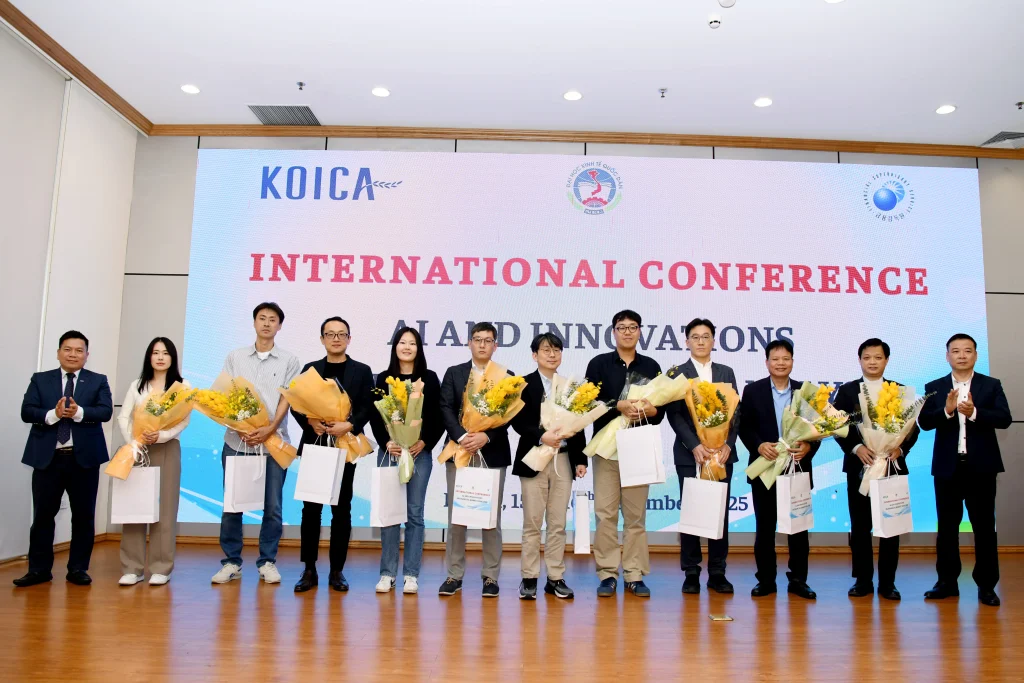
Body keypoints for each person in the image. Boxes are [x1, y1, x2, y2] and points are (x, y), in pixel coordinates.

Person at [919, 333, 1012, 607]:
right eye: (956, 351)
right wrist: (947, 411)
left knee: (984, 528)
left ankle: (986, 586)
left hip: (981, 468)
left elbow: (1004, 418)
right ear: (947, 356)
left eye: (967, 350)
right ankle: (947, 582)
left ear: (975, 355)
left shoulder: (991, 385)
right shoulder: (935, 387)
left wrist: (974, 413)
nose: (962, 355)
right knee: (947, 528)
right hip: (947, 468)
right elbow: (924, 422)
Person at [212, 303, 301, 585]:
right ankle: (231, 561)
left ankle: (267, 561)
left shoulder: (289, 360)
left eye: (272, 319)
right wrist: (240, 427)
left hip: (273, 442)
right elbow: (226, 394)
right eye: (262, 318)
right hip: (236, 441)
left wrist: (270, 428)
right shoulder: (235, 357)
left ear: (279, 326)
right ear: (254, 322)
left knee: (272, 507)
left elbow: (288, 397)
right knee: (233, 504)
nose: (266, 323)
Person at [15, 331, 113, 587]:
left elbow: (105, 412)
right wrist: (53, 414)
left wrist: (79, 412)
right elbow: (27, 411)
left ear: (87, 355)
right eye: (67, 349)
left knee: (83, 516)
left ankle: (78, 569)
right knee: (42, 516)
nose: (73, 354)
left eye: (79, 350)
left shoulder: (98, 380)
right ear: (58, 352)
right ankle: (39, 570)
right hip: (48, 459)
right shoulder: (40, 379)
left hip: (84, 460)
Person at [291, 317, 374, 593]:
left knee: (341, 509)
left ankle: (337, 570)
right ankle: (309, 569)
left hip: (344, 446)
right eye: (330, 334)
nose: (336, 339)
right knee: (311, 509)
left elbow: (368, 406)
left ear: (349, 339)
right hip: (315, 444)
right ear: (322, 339)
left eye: (341, 334)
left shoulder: (362, 371)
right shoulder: (310, 369)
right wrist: (310, 422)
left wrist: (349, 425)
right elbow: (295, 404)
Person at [833, 338, 919, 601]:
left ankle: (888, 583)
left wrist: (900, 449)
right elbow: (837, 426)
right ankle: (862, 580)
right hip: (860, 467)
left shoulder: (899, 391)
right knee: (860, 527)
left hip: (891, 467)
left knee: (890, 526)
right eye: (867, 357)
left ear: (886, 360)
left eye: (878, 357)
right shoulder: (847, 391)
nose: (872, 362)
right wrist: (856, 447)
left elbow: (912, 429)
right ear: (860, 360)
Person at [585, 310, 662, 598]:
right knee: (605, 514)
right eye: (622, 327)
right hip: (606, 449)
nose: (627, 332)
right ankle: (607, 573)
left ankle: (634, 573)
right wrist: (618, 405)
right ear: (613, 332)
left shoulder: (651, 366)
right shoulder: (599, 364)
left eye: (632, 327)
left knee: (635, 517)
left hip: (638, 447)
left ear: (640, 331)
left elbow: (660, 412)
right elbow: (588, 402)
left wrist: (650, 410)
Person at [438, 322, 514, 598]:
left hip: (492, 453)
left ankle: (490, 576)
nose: (482, 344)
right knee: (457, 516)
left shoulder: (506, 376)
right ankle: (454, 574)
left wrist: (486, 436)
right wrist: (462, 436)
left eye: (488, 340)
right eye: (477, 339)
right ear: (469, 343)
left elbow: (509, 416)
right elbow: (445, 408)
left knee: (490, 517)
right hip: (459, 451)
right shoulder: (454, 373)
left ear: (495, 345)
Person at [739, 339, 819, 600]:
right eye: (775, 359)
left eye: (786, 358)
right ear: (767, 362)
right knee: (765, 528)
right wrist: (759, 445)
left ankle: (798, 580)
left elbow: (818, 429)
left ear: (792, 361)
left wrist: (808, 446)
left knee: (798, 528)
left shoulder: (804, 392)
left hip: (797, 467)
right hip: (766, 468)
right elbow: (744, 426)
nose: (781, 363)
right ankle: (766, 580)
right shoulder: (753, 391)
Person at [665, 318, 740, 595]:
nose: (700, 341)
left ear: (713, 341)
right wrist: (695, 445)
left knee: (719, 513)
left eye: (705, 336)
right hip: (690, 455)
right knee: (692, 512)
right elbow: (674, 414)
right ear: (686, 341)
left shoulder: (726, 372)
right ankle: (692, 571)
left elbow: (736, 412)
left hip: (721, 456)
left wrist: (728, 444)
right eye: (695, 337)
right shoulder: (677, 373)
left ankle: (718, 571)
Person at [511, 333, 588, 600]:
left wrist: (580, 459)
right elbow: (517, 421)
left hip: (563, 459)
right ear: (535, 355)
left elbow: (578, 423)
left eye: (557, 350)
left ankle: (555, 577)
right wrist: (540, 435)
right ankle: (529, 577)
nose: (552, 355)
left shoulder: (570, 386)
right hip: (534, 457)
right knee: (532, 523)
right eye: (546, 350)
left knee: (557, 523)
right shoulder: (523, 384)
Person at [369, 327, 443, 595]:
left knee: (414, 514)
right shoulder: (383, 378)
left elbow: (437, 416)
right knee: (390, 514)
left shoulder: (430, 378)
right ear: (395, 347)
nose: (407, 347)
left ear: (419, 348)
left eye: (413, 343)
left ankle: (411, 574)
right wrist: (386, 443)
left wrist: (424, 442)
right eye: (403, 342)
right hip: (391, 452)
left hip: (418, 453)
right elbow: (375, 416)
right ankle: (387, 573)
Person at [116, 338, 191, 586]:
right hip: (138, 450)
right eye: (155, 352)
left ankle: (161, 567)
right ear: (149, 357)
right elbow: (124, 416)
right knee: (135, 507)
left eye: (165, 353)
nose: (160, 357)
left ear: (172, 358)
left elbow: (183, 420)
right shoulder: (137, 385)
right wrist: (134, 441)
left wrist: (162, 435)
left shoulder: (182, 386)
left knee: (165, 509)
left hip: (167, 449)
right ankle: (132, 567)